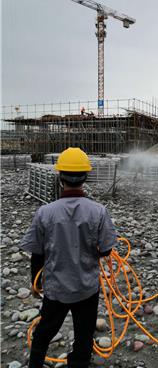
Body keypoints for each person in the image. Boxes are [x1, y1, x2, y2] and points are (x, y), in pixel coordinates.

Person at [19, 147, 117, 368]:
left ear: (60, 176)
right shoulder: (98, 211)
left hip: (56, 288)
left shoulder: (45, 212)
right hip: (86, 288)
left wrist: (36, 282)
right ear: (86, 176)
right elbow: (106, 250)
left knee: (44, 331)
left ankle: (35, 363)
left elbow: (37, 253)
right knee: (84, 336)